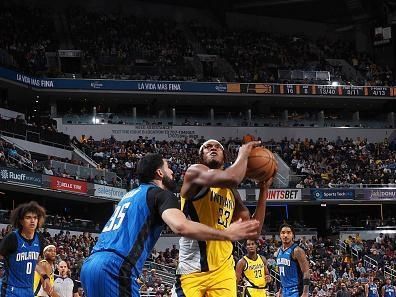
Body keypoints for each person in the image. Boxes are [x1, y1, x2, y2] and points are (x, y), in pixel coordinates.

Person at [80, 153, 259, 297]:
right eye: (168, 168)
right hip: (115, 267)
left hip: (90, 265)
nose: (172, 172)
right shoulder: (161, 194)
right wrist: (226, 234)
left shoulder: (129, 195)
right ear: (159, 173)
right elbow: (181, 226)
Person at [173, 139, 273, 297]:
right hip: (193, 269)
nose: (213, 148)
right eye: (207, 147)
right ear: (201, 157)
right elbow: (233, 177)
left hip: (223, 269)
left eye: (217, 147)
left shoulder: (232, 193)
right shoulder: (195, 173)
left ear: (224, 157)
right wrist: (243, 154)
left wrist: (264, 190)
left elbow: (253, 232)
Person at [0, 201, 50, 297]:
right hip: (10, 290)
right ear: (21, 221)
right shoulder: (12, 238)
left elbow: (37, 262)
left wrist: (44, 276)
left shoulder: (39, 238)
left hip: (28, 290)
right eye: (28, 218)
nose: (32, 221)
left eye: (35, 218)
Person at [275, 223, 310, 297]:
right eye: (283, 233)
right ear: (279, 235)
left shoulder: (297, 250)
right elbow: (282, 273)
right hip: (284, 290)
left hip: (296, 291)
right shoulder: (278, 251)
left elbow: (306, 271)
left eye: (288, 232)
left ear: (293, 235)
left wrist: (305, 292)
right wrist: (280, 290)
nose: (285, 235)